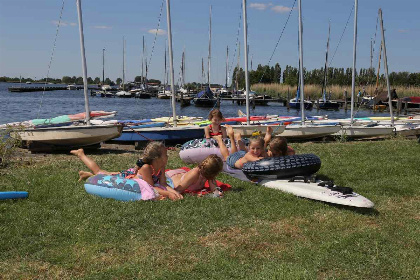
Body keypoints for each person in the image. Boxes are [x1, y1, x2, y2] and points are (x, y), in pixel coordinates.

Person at [71, 142, 183, 201]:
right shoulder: (146, 168)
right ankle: (81, 154)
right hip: (127, 176)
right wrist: (168, 194)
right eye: (165, 155)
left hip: (136, 175)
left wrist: (174, 192)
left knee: (100, 172)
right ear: (157, 158)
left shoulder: (162, 166)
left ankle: (86, 174)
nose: (167, 156)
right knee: (99, 172)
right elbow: (151, 187)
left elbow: (163, 184)